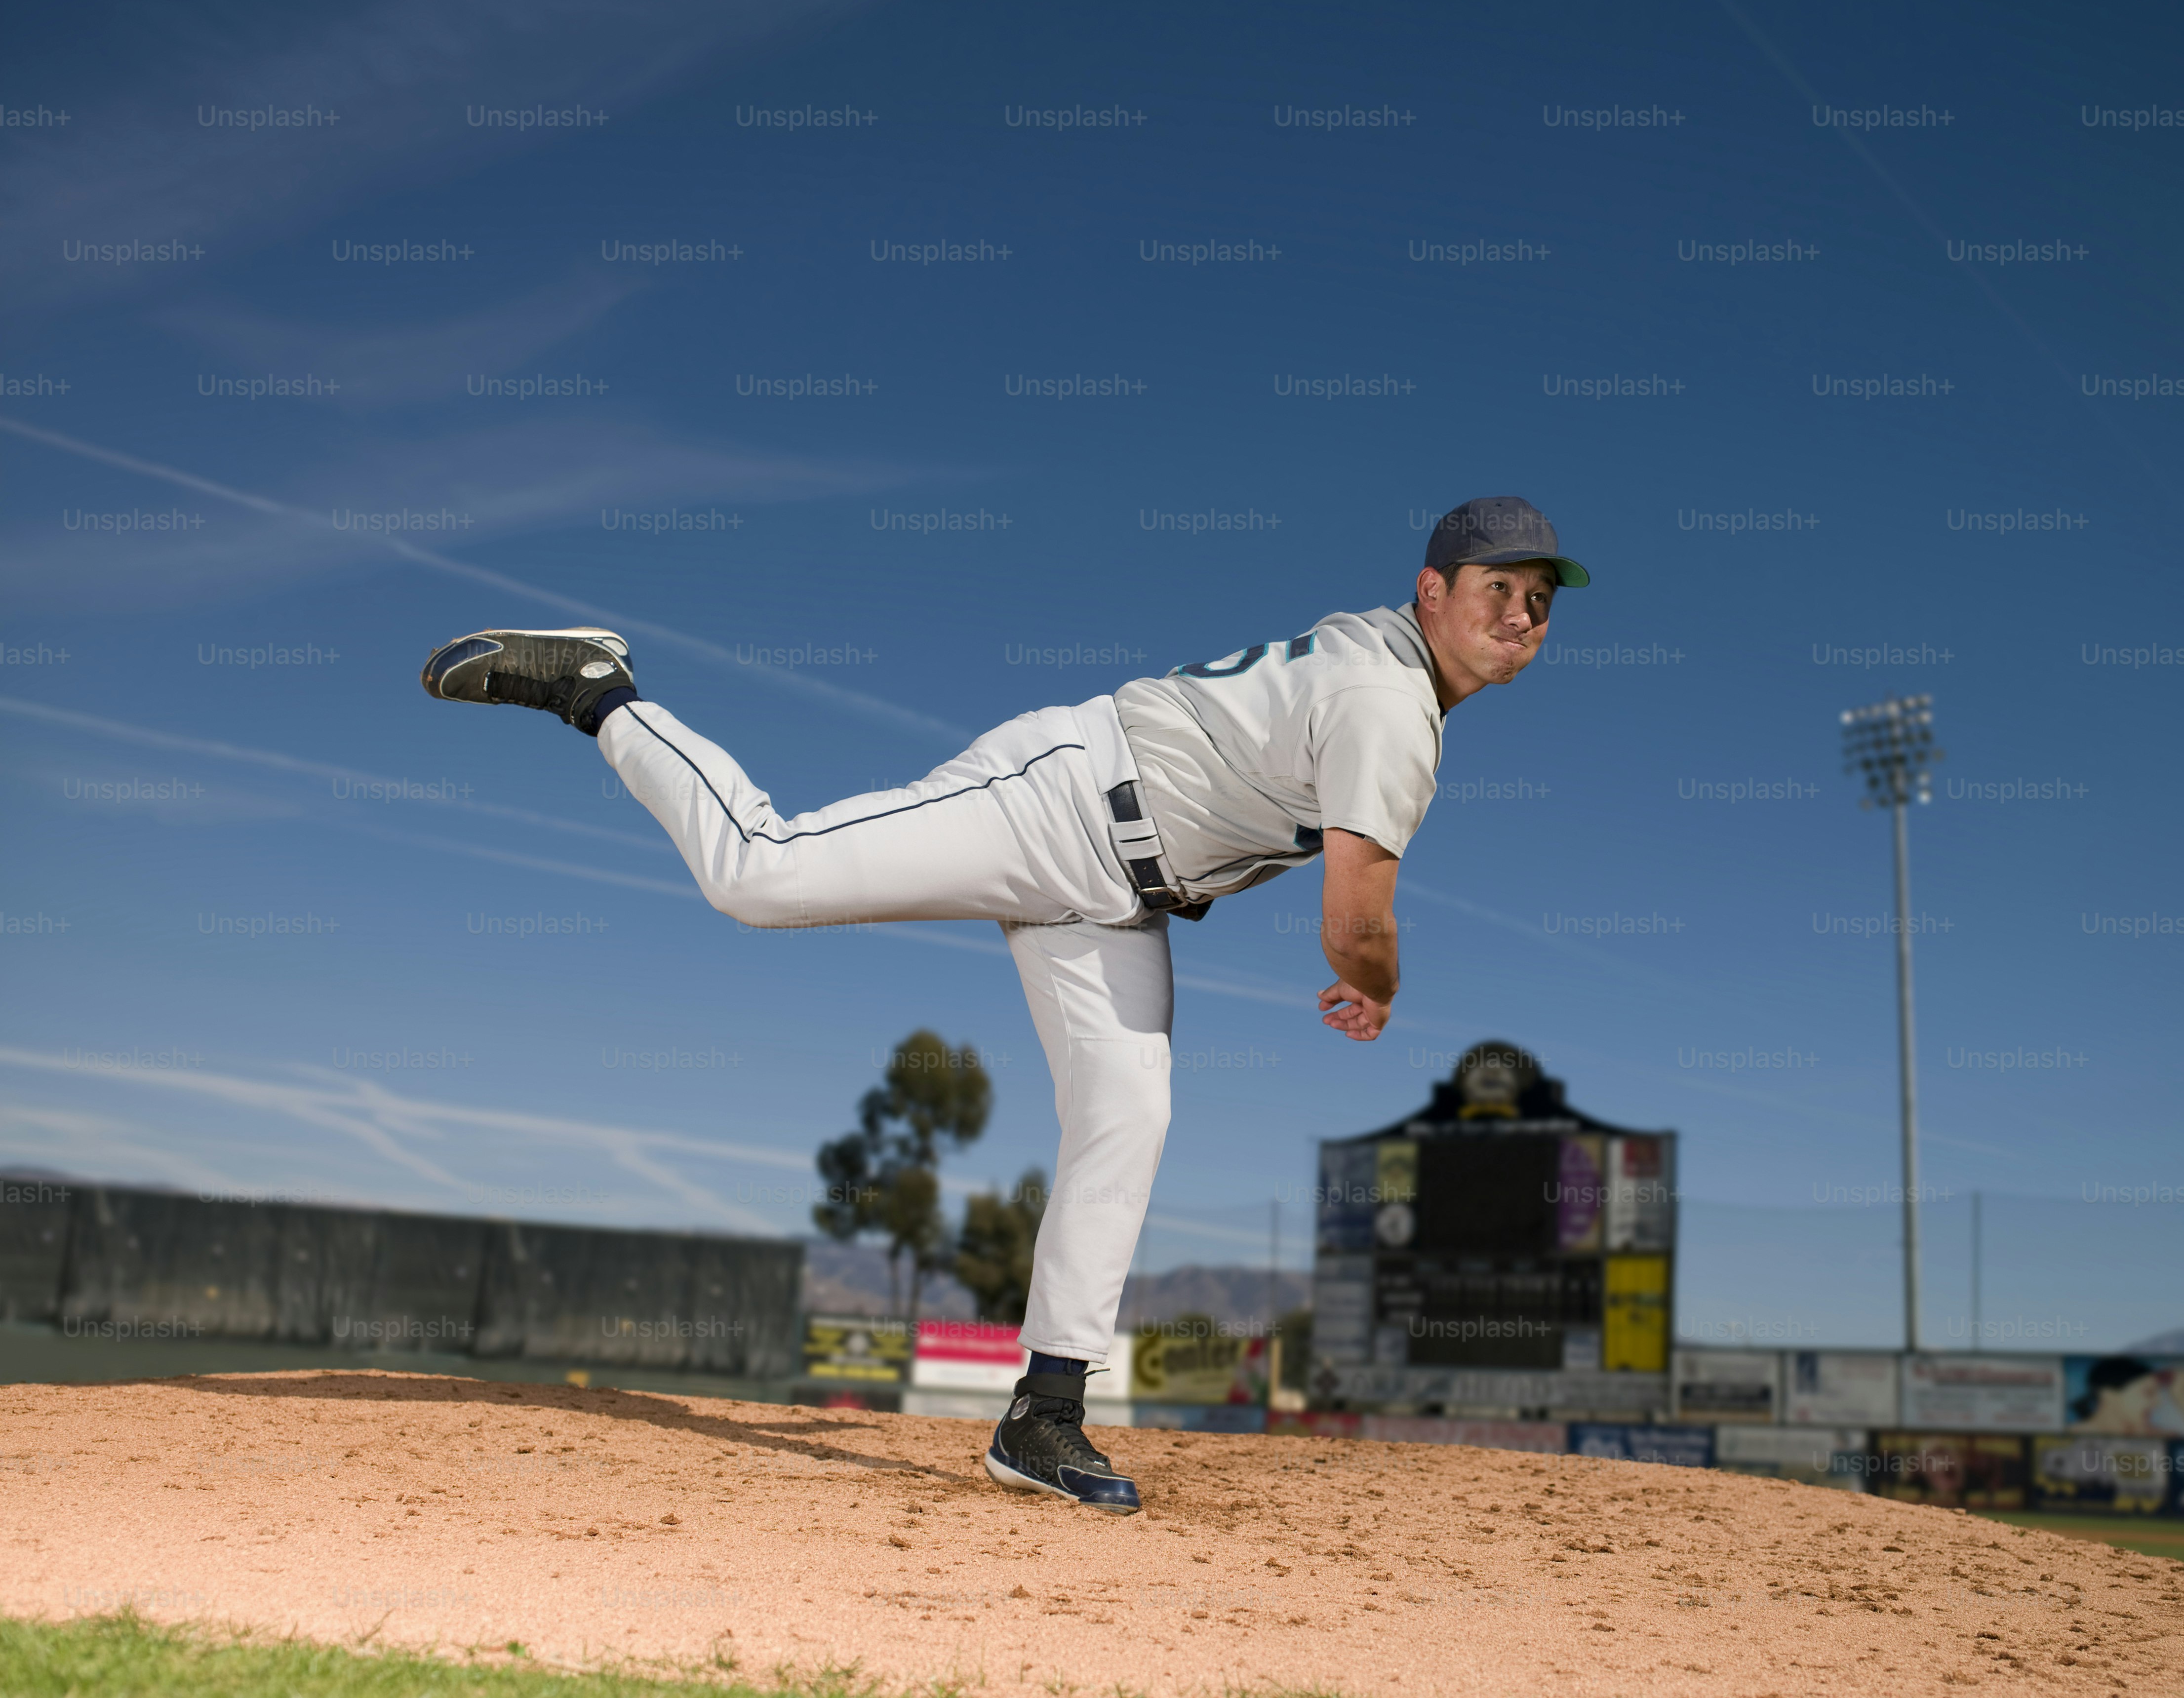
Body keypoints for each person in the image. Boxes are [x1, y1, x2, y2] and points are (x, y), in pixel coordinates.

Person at [419, 496, 1582, 1514]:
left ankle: (1043, 1415)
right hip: (1058, 801)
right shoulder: (1390, 704)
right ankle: (598, 690)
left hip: (1116, 897)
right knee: (760, 874)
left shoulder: (1380, 659)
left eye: (1537, 596)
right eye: (1496, 588)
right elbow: (1354, 925)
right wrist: (1374, 988)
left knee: (1128, 1115)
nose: (1521, 614)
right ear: (1430, 591)